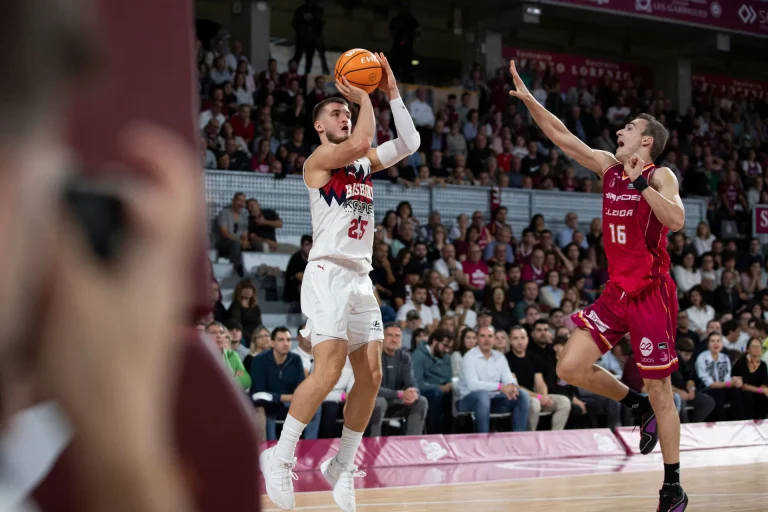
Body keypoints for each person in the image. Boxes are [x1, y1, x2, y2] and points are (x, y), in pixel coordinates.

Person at [508, 60, 688, 510]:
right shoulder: (607, 166)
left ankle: (672, 484)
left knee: (662, 388)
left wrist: (642, 182)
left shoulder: (661, 175)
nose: (620, 130)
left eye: (629, 127)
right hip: (617, 292)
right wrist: (532, 102)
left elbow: (677, 220)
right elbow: (562, 136)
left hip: (651, 294)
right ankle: (635, 405)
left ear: (646, 141)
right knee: (569, 368)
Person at [259, 53, 420, 512]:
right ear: (319, 128)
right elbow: (366, 137)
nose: (344, 115)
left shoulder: (364, 161)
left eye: (346, 111)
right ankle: (281, 456)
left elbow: (410, 140)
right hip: (327, 272)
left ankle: (341, 465)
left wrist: (390, 91)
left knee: (370, 376)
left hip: (360, 278)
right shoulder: (320, 162)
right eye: (336, 113)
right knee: (328, 370)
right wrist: (366, 97)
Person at [250, 327, 321, 441]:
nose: (286, 343)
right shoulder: (259, 360)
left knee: (315, 403)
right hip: (268, 402)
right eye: (281, 340)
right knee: (264, 409)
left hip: (289, 402)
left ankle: (309, 445)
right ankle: (268, 447)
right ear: (272, 343)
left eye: (288, 340)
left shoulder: (296, 359)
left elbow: (300, 385)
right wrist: (284, 397)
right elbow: (258, 392)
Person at [457, 326, 530, 433]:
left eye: (490, 336)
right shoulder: (469, 357)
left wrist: (512, 386)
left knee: (522, 395)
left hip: (493, 400)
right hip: (468, 401)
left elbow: (508, 378)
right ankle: (482, 439)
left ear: (494, 339)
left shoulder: (500, 357)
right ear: (477, 339)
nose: (486, 339)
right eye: (483, 336)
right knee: (482, 395)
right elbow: (473, 386)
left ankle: (518, 438)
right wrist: (500, 387)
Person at [369, 324, 428, 436]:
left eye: (397, 336)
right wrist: (400, 394)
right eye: (390, 335)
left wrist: (413, 393)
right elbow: (373, 390)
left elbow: (411, 383)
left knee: (421, 401)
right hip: (374, 403)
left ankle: (412, 445)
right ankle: (372, 445)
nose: (394, 339)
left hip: (396, 402)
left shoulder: (405, 357)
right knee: (380, 402)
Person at [412, 329, 455, 434]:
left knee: (456, 393)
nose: (446, 350)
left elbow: (448, 379)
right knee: (436, 393)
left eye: (449, 348)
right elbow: (417, 383)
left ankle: (454, 435)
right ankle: (434, 433)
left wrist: (450, 385)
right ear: (435, 342)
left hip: (443, 391)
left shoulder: (446, 357)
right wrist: (439, 388)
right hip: (426, 392)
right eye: (445, 346)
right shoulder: (418, 355)